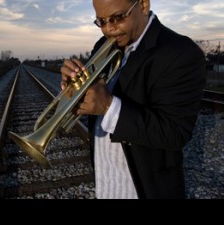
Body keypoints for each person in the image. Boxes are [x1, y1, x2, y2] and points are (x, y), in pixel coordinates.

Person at [60, 0, 206, 199]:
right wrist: (75, 92)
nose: (109, 28)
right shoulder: (103, 46)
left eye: (117, 17)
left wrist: (108, 106)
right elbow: (92, 100)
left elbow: (175, 132)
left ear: (143, 6)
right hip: (106, 184)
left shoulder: (180, 52)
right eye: (101, 21)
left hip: (143, 189)